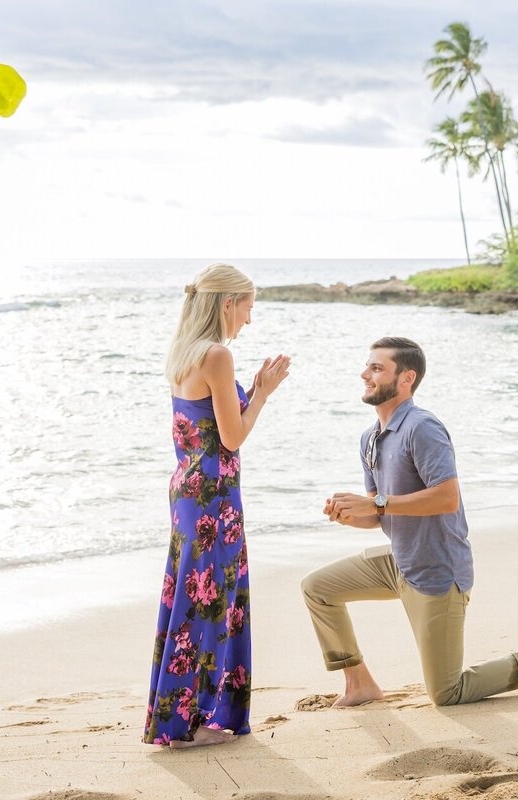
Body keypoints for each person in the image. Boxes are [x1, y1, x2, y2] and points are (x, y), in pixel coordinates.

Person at [302, 336, 518, 707]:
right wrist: (352, 515)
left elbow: (447, 499)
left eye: (377, 368)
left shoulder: (422, 427)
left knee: (448, 692)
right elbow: (381, 510)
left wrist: (377, 505)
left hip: (436, 572)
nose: (364, 373)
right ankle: (360, 683)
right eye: (368, 365)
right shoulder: (370, 438)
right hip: (399, 560)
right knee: (318, 588)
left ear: (406, 378)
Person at [143, 263, 290, 748]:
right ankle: (191, 725)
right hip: (213, 497)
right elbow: (232, 437)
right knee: (213, 603)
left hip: (187, 490)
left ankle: (180, 718)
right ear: (227, 303)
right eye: (248, 307)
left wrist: (248, 390)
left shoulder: (184, 352)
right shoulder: (217, 356)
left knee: (190, 598)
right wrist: (263, 394)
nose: (249, 319)